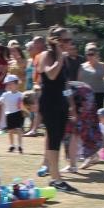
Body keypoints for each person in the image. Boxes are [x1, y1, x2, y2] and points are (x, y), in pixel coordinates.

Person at [34, 26, 80, 192]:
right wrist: (60, 55)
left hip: (61, 103)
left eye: (70, 40)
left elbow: (65, 84)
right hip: (49, 103)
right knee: (53, 140)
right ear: (57, 41)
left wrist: (72, 105)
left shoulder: (65, 58)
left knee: (58, 140)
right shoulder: (47, 55)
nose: (69, 43)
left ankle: (56, 177)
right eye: (66, 40)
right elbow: (51, 75)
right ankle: (56, 178)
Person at [0, 75, 26, 153]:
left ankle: (20, 146)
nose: (8, 85)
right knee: (10, 131)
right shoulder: (5, 94)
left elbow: (23, 106)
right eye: (7, 84)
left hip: (18, 113)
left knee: (19, 130)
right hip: (9, 114)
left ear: (16, 84)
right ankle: (12, 145)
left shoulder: (21, 95)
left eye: (10, 84)